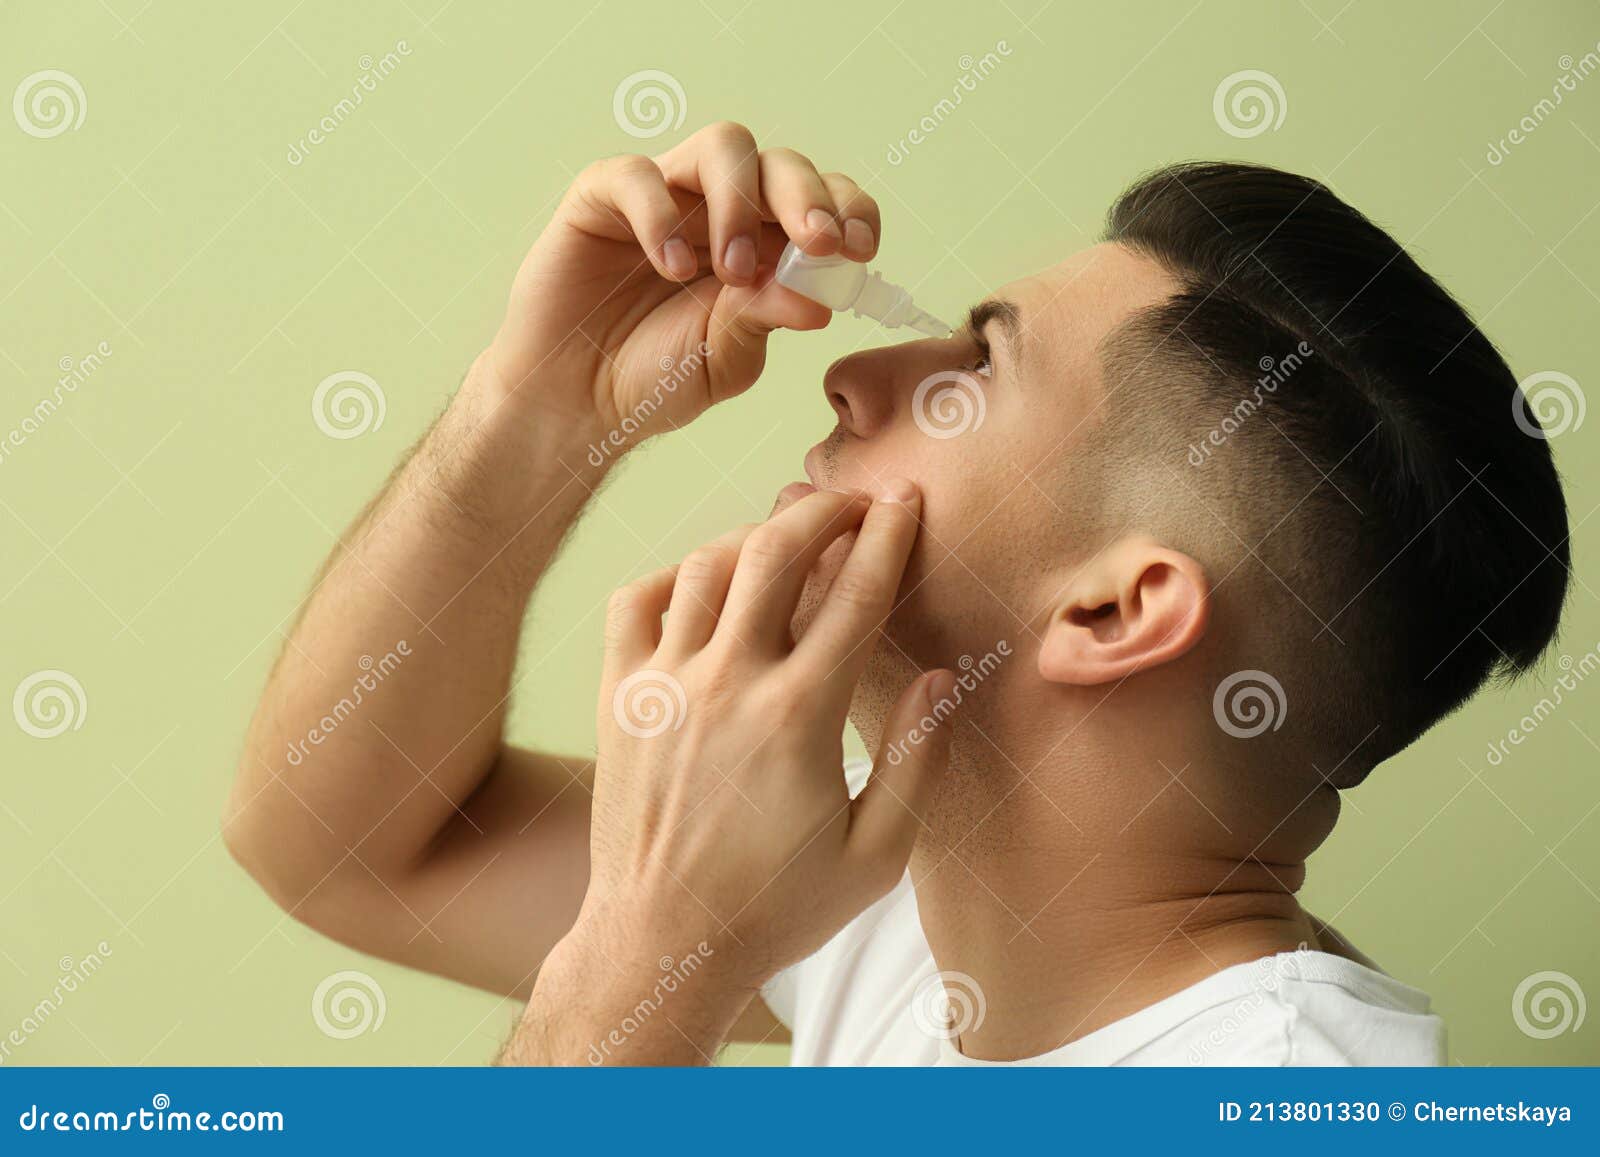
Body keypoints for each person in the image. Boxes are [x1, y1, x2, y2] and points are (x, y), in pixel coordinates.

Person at [224, 122, 1570, 1066]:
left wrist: (648, 960)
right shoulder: (912, 905)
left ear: (1113, 610)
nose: (852, 377)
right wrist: (534, 411)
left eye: (974, 371)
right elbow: (345, 843)